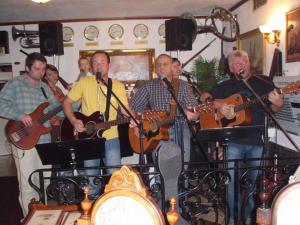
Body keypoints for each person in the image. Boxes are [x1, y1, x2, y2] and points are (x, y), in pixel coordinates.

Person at [201, 50, 283, 224]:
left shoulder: (264, 82)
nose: (242, 65)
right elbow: (205, 97)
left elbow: (274, 109)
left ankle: (248, 215)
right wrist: (220, 105)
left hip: (257, 140)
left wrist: (278, 104)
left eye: (244, 61)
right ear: (231, 68)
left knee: (256, 183)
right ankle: (233, 217)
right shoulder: (225, 86)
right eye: (237, 63)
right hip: (234, 141)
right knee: (231, 183)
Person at [63, 50, 130, 198]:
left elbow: (126, 111)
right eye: (95, 63)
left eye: (102, 62)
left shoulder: (117, 86)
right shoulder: (84, 83)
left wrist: (136, 118)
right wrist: (74, 120)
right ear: (92, 67)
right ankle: (92, 212)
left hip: (111, 138)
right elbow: (66, 103)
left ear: (109, 65)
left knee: (114, 178)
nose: (98, 65)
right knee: (91, 177)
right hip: (89, 138)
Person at [0, 52, 60, 216]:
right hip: (24, 139)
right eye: (37, 69)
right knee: (27, 182)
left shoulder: (45, 87)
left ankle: (42, 215)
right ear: (27, 68)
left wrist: (60, 114)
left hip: (45, 139)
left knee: (44, 179)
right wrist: (19, 115)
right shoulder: (14, 84)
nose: (41, 73)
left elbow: (55, 108)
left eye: (43, 69)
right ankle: (30, 217)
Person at [130, 54, 199, 164]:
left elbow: (195, 113)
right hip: (157, 133)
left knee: (182, 167)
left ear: (172, 66)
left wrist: (192, 114)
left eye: (165, 64)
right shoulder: (149, 86)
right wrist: (136, 125)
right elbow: (133, 107)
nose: (162, 67)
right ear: (156, 68)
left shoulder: (183, 86)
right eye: (159, 65)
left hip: (180, 129)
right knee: (161, 168)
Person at [43, 64, 65, 142]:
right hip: (52, 122)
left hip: (62, 121)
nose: (54, 76)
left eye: (55, 73)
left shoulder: (58, 89)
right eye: (50, 74)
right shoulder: (44, 89)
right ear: (45, 77)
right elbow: (44, 106)